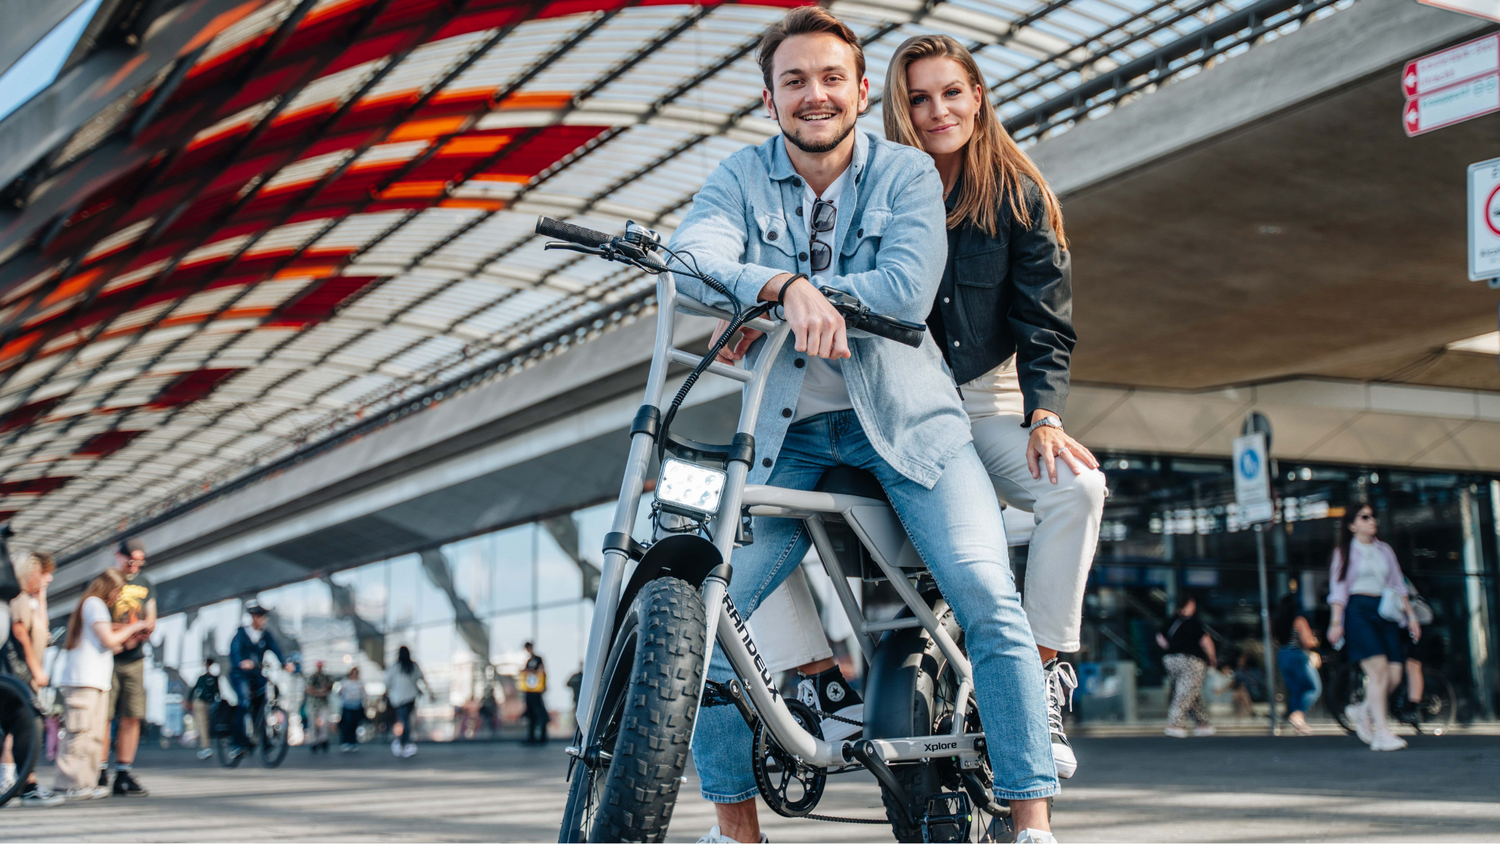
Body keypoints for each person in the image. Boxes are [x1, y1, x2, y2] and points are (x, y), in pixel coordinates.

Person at [669, 8, 1057, 841]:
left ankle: (1032, 821)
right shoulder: (739, 175)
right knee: (701, 610)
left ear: (856, 88)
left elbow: (907, 290)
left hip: (912, 427)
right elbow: (691, 259)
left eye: (831, 78)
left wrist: (798, 294)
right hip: (786, 438)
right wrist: (779, 289)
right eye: (795, 81)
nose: (816, 95)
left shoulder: (907, 175)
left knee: (988, 597)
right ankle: (735, 830)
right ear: (769, 98)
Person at [884, 33, 1108, 779]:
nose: (937, 109)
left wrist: (1045, 415)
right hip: (904, 410)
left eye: (951, 92)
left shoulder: (1019, 194)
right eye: (919, 97)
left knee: (1079, 489)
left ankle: (1041, 673)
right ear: (900, 107)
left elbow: (1045, 324)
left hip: (990, 405)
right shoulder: (879, 188)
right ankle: (827, 690)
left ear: (977, 96)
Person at [1326, 504, 1421, 752]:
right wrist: (1336, 622)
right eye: (1364, 517)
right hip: (1358, 610)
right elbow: (1338, 590)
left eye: (1372, 516)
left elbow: (1399, 584)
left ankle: (1361, 710)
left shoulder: (1384, 550)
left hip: (1386, 611)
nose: (1371, 521)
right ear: (1352, 525)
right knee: (1377, 671)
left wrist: (1411, 617)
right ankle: (1381, 732)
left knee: (1395, 674)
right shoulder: (1344, 551)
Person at [53, 570, 148, 801]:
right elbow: (109, 639)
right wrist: (134, 628)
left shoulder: (95, 607)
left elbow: (111, 644)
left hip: (96, 681)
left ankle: (87, 782)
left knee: (95, 735)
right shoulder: (93, 603)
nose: (117, 598)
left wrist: (129, 637)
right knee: (79, 733)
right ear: (108, 588)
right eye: (117, 592)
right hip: (83, 680)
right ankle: (68, 783)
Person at [3, 550, 63, 806]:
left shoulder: (29, 599)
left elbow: (43, 629)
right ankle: (27, 784)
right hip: (17, 672)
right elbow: (19, 632)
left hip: (20, 674)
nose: (47, 579)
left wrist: (42, 595)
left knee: (16, 726)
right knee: (27, 724)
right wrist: (35, 669)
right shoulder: (16, 597)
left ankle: (22, 784)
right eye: (43, 574)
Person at [101, 537, 155, 797]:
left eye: (139, 563)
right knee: (105, 716)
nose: (134, 567)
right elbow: (95, 620)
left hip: (135, 659)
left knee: (132, 715)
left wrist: (136, 632)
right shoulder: (107, 581)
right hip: (107, 659)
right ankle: (99, 771)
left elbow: (151, 619)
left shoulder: (145, 584)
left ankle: (123, 773)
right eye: (130, 561)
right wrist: (131, 629)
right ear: (118, 555)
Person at [227, 602, 292, 759]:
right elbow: (234, 652)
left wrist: (285, 663)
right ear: (253, 617)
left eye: (263, 617)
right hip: (240, 674)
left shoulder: (265, 635)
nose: (262, 620)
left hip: (257, 674)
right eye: (260, 617)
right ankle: (237, 743)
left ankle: (264, 740)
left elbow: (276, 648)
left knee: (262, 703)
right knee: (244, 702)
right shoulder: (241, 634)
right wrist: (242, 662)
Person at [1156, 595, 1216, 738]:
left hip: (1171, 660)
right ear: (1189, 604)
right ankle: (1175, 724)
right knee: (1185, 692)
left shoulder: (1170, 621)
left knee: (1190, 690)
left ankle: (1202, 723)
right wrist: (1212, 658)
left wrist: (1169, 648)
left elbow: (1159, 637)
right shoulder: (1194, 623)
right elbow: (1205, 641)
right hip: (1191, 660)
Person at [1272, 591, 1321, 735]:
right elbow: (1307, 641)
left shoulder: (1276, 622)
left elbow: (1276, 641)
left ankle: (1299, 724)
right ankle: (1298, 715)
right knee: (1313, 688)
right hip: (1298, 656)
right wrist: (1315, 640)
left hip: (1282, 655)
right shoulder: (1299, 620)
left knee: (1296, 691)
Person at [386, 646, 428, 757]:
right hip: (410, 697)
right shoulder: (413, 666)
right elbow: (421, 678)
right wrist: (429, 691)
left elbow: (386, 682)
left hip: (398, 698)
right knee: (406, 720)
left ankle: (402, 743)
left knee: (404, 720)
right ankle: (404, 743)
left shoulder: (395, 668)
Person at [190, 659, 222, 760]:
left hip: (208, 703)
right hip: (202, 702)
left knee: (205, 725)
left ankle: (205, 746)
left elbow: (217, 692)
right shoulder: (203, 678)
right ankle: (205, 746)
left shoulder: (210, 678)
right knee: (203, 725)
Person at [520, 642, 549, 745]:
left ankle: (542, 737)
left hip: (536, 690)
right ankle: (531, 736)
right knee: (531, 714)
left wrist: (544, 684)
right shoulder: (529, 661)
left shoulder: (538, 659)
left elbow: (542, 671)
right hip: (530, 690)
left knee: (539, 713)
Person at [304, 660, 334, 753]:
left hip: (323, 703)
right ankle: (314, 741)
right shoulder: (312, 677)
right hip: (313, 703)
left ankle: (323, 740)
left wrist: (326, 689)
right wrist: (318, 692)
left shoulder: (326, 677)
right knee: (312, 723)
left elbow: (330, 686)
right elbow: (308, 689)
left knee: (324, 722)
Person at [337, 666, 364, 751]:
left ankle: (353, 742)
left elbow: (363, 694)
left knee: (354, 725)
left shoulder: (359, 683)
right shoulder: (345, 682)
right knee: (347, 725)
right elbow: (340, 692)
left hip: (356, 706)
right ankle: (346, 742)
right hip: (347, 706)